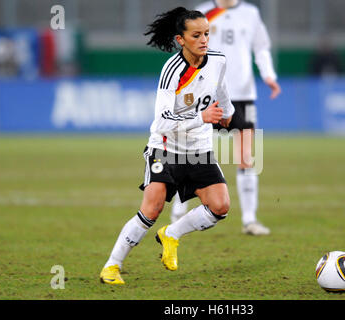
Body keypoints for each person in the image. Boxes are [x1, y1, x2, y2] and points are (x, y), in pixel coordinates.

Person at [99, 7, 234, 285]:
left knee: (220, 206)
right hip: (165, 148)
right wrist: (201, 117)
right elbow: (161, 121)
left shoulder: (218, 60)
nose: (204, 40)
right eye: (196, 35)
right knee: (152, 207)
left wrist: (228, 111)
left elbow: (220, 88)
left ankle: (171, 234)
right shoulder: (172, 71)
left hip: (198, 149)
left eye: (207, 33)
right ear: (180, 40)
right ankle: (112, 266)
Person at [171, 0, 281, 236]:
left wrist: (268, 75)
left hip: (242, 95)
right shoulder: (203, 12)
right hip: (208, 94)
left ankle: (250, 220)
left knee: (246, 156)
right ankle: (179, 211)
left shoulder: (251, 13)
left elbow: (261, 47)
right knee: (191, 154)